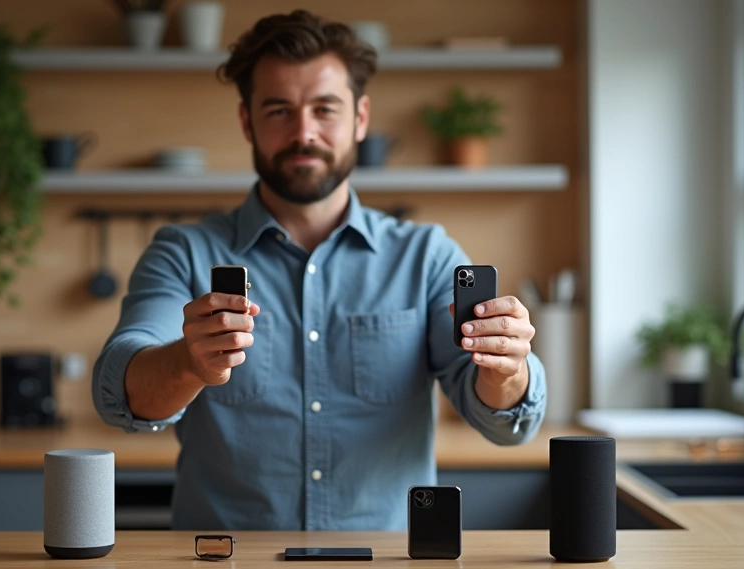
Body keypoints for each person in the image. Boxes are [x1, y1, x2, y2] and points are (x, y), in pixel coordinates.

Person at [92, 9, 547, 531]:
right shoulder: (184, 252)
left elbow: (506, 422)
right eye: (279, 110)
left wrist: (506, 368)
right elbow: (119, 390)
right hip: (227, 568)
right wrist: (188, 363)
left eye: (324, 109)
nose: (303, 132)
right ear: (247, 121)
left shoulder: (427, 257)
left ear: (360, 118)